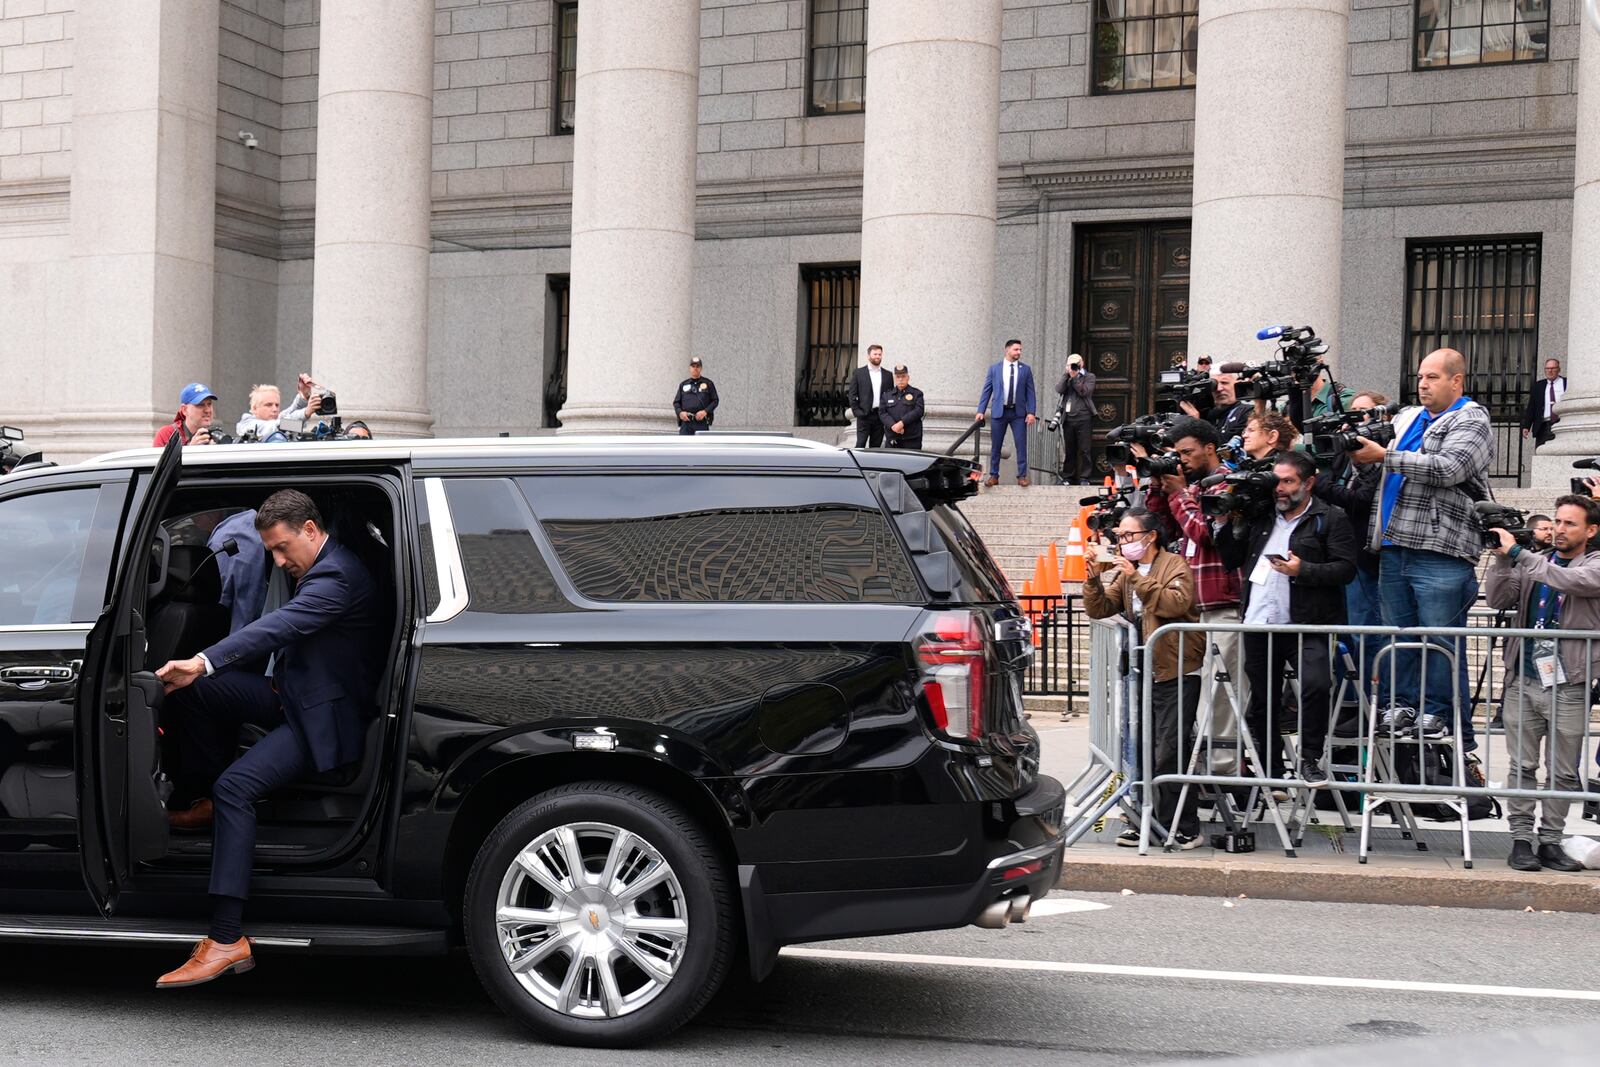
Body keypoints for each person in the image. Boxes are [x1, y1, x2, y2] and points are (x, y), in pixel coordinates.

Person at [153, 490, 385, 988]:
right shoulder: (326, 562)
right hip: (295, 694)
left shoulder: (336, 576)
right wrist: (199, 673)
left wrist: (201, 658)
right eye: (270, 552)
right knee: (194, 694)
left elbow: (274, 628)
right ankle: (206, 799)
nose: (278, 562)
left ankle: (225, 938)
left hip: (322, 718)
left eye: (281, 549)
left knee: (236, 787)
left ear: (309, 530)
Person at [1347, 348, 1493, 755]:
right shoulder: (1407, 418)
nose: (1422, 384)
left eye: (1432, 377)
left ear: (1457, 381)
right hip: (1393, 544)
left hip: (1441, 548)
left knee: (1439, 641)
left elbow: (1449, 468)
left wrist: (1386, 455)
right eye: (1420, 376)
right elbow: (1375, 473)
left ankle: (1439, 713)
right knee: (1401, 638)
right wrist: (1359, 456)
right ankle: (1402, 706)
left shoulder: (1471, 418)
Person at [1217, 452, 1359, 786]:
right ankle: (1270, 768)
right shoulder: (1261, 516)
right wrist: (1226, 522)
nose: (1278, 488)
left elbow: (1346, 569)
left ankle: (1310, 758)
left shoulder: (1330, 518)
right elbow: (1230, 558)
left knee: (1314, 686)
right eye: (1275, 480)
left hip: (1307, 623)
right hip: (1259, 621)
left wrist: (1303, 570)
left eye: (1288, 481)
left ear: (1309, 483)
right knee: (1263, 699)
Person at [1483, 494, 1600, 874]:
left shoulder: (1593, 564)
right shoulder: (1538, 561)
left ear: (1591, 530)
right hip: (1524, 677)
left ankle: (1550, 841)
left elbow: (1570, 581)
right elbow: (1500, 597)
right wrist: (1502, 558)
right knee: (1522, 766)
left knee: (1563, 771)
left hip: (1571, 683)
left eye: (1570, 524)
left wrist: (1518, 552)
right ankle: (1520, 841)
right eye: (1558, 521)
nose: (1560, 529)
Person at [1082, 507, 1204, 848]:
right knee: (1142, 749)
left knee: (1170, 749)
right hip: (1141, 671)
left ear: (1150, 537)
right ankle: (1144, 817)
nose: (1122, 542)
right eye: (1119, 536)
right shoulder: (1125, 571)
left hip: (1175, 668)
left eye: (1128, 536)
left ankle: (1183, 825)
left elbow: (1175, 604)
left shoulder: (1173, 564)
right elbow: (1101, 608)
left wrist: (1135, 576)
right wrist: (1092, 578)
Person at [1141, 418, 1244, 777]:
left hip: (1222, 602)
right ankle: (1199, 766)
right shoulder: (1189, 487)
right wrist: (1160, 485)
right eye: (1176, 455)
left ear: (1209, 448)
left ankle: (1223, 771)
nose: (1181, 460)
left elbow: (1204, 532)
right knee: (1193, 692)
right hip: (1189, 606)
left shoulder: (1228, 482)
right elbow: (1159, 528)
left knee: (1220, 694)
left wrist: (1178, 493)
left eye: (1187, 452)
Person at [1313, 391, 1389, 693]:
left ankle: (1366, 701)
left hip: (1365, 559)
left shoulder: (1380, 456)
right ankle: (1344, 700)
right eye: (1353, 411)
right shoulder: (1343, 453)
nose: (1356, 418)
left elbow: (1361, 500)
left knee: (1364, 633)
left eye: (1364, 412)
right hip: (1339, 556)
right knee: (1344, 636)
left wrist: (1321, 484)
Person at [975, 339, 1037, 487]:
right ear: (1007, 350)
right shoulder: (995, 369)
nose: (1019, 352)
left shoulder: (1025, 369)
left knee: (1021, 444)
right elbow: (987, 390)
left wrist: (1031, 412)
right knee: (996, 445)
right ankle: (994, 475)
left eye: (1020, 350)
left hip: (1018, 413)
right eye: (1016, 349)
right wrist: (980, 410)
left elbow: (1031, 393)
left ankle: (1022, 476)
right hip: (999, 412)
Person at [1054, 353, 1096, 484]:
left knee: (1085, 449)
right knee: (1070, 450)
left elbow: (1085, 392)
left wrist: (1076, 378)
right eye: (1069, 364)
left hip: (1084, 418)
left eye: (1075, 364)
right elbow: (1059, 389)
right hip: (1068, 418)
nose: (1072, 366)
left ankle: (1085, 477)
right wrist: (1067, 375)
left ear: (1081, 364)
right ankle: (1068, 477)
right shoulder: (1067, 376)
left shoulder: (1089, 377)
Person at [236, 382, 319, 442]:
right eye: (268, 405)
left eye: (277, 405)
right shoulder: (246, 424)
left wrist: (304, 395)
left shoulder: (277, 421)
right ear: (254, 408)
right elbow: (280, 425)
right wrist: (306, 412)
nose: (275, 409)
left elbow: (291, 413)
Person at [848, 344, 889, 448]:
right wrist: (857, 412)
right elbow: (852, 394)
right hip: (864, 415)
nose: (877, 356)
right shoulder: (858, 373)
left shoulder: (887, 375)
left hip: (880, 416)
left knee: (876, 447)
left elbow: (889, 396)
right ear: (868, 356)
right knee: (860, 445)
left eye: (879, 354)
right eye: (875, 354)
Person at [154, 383, 220, 447]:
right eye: (200, 405)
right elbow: (160, 458)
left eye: (209, 404)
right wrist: (190, 450)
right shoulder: (168, 434)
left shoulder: (216, 436)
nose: (208, 410)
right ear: (184, 410)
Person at [1522, 358, 1566, 447]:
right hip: (1544, 425)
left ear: (1559, 370)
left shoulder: (1566, 383)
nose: (1550, 371)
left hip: (1562, 423)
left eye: (1553, 368)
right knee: (1541, 451)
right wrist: (1526, 426)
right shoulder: (1538, 386)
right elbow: (1532, 407)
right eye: (1547, 368)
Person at [880, 364, 924, 450]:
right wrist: (893, 425)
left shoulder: (917, 393)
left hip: (912, 438)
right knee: (892, 462)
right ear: (894, 378)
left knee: (912, 462)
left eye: (903, 376)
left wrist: (902, 423)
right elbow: (882, 412)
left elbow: (919, 411)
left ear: (908, 377)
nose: (900, 379)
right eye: (898, 377)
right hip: (893, 437)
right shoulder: (887, 395)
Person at [673, 357, 718, 435]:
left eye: (697, 366)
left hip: (701, 422)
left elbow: (715, 400)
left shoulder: (708, 383)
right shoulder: (683, 384)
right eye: (693, 366)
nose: (695, 368)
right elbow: (676, 402)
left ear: (701, 368)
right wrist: (680, 413)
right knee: (684, 446)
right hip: (686, 422)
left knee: (701, 446)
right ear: (689, 368)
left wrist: (705, 412)